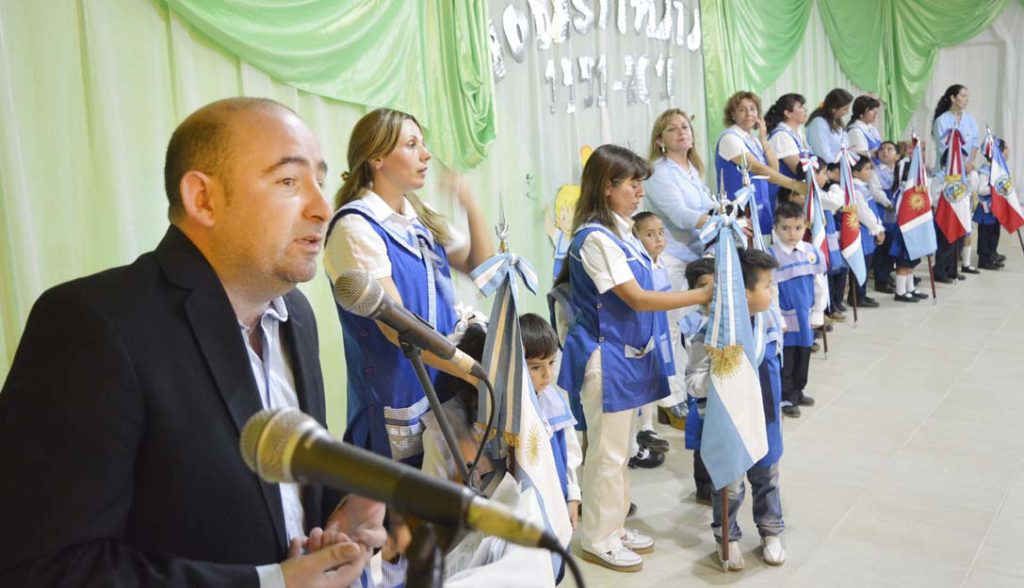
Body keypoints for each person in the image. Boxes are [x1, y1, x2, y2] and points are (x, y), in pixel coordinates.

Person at [0, 97, 386, 587]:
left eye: (320, 180)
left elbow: (268, 495)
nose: (322, 207)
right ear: (202, 198)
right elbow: (47, 568)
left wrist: (339, 512)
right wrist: (271, 584)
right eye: (289, 181)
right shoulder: (91, 324)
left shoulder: (297, 315)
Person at [556, 144, 712, 572]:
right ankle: (598, 537)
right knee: (605, 454)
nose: (640, 192)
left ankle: (616, 525)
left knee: (620, 451)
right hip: (605, 358)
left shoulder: (623, 232)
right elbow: (639, 299)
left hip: (630, 355)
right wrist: (701, 295)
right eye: (633, 184)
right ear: (608, 188)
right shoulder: (594, 239)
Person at [324, 108, 494, 467]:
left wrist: (471, 205)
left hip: (440, 385)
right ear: (377, 158)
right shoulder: (356, 228)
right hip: (398, 395)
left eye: (424, 143)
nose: (426, 154)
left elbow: (481, 268)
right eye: (412, 144)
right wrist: (477, 374)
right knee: (402, 514)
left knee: (446, 509)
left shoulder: (417, 218)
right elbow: (396, 327)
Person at [685, 248, 787, 570]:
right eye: (768, 286)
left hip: (765, 416)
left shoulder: (768, 320)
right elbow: (692, 382)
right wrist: (718, 373)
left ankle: (770, 531)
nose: (772, 291)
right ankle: (727, 536)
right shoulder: (711, 333)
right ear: (745, 294)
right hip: (728, 419)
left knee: (767, 476)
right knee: (730, 482)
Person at [642, 108, 715, 428]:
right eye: (673, 129)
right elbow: (680, 214)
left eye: (685, 127)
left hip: (697, 255)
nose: (682, 132)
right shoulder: (659, 172)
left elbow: (707, 203)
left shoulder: (692, 170)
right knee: (671, 330)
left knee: (696, 328)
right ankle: (671, 401)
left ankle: (694, 387)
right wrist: (718, 221)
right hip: (671, 256)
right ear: (660, 140)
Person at [520, 313, 584, 530]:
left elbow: (570, 454)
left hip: (557, 496)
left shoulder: (553, 402)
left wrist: (573, 496)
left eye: (551, 363)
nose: (548, 375)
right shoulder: (506, 409)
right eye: (536, 367)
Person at [715, 91, 807, 237]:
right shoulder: (730, 138)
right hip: (740, 213)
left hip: (760, 206)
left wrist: (763, 139)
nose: (748, 113)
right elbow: (758, 169)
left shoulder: (753, 140)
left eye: (752, 109)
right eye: (742, 109)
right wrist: (795, 185)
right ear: (732, 114)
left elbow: (774, 169)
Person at [769, 201, 827, 418]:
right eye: (785, 228)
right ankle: (786, 397)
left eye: (797, 228)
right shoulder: (772, 255)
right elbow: (771, 290)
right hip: (785, 317)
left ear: (805, 227)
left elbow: (819, 284)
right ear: (776, 228)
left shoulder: (811, 252)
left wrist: (818, 311)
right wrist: (778, 319)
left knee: (804, 354)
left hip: (805, 316)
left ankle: (798, 390)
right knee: (787, 357)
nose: (792, 233)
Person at [628, 211, 673, 467]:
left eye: (660, 232)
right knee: (639, 384)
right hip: (644, 334)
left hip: (661, 330)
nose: (658, 239)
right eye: (649, 234)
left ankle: (647, 426)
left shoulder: (661, 263)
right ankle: (633, 441)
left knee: (654, 380)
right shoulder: (639, 267)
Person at [932, 85, 979, 281]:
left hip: (964, 178)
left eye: (968, 96)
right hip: (947, 177)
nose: (966, 99)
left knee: (963, 222)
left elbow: (974, 143)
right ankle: (940, 268)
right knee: (947, 223)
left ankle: (953, 268)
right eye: (963, 96)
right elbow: (946, 150)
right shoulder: (942, 121)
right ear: (952, 97)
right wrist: (961, 165)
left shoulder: (969, 119)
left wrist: (970, 163)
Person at [680, 256, 716, 505]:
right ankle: (704, 488)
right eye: (705, 287)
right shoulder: (693, 322)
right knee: (702, 444)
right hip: (702, 392)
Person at [765, 93, 811, 200]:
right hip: (786, 194)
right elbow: (799, 169)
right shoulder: (781, 135)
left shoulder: (798, 132)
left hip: (799, 191)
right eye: (800, 107)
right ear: (788, 113)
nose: (805, 110)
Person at [974, 139, 1010, 270]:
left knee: (995, 232)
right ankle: (984, 259)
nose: (1007, 151)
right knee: (985, 235)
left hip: (996, 208)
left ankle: (992, 254)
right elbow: (981, 189)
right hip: (986, 209)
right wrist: (994, 188)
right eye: (1005, 149)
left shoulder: (998, 168)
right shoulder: (985, 171)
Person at [806, 88, 854, 164]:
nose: (847, 112)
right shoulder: (818, 123)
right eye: (845, 109)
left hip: (839, 168)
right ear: (834, 109)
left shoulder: (838, 122)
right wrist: (835, 168)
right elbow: (822, 153)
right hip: (828, 170)